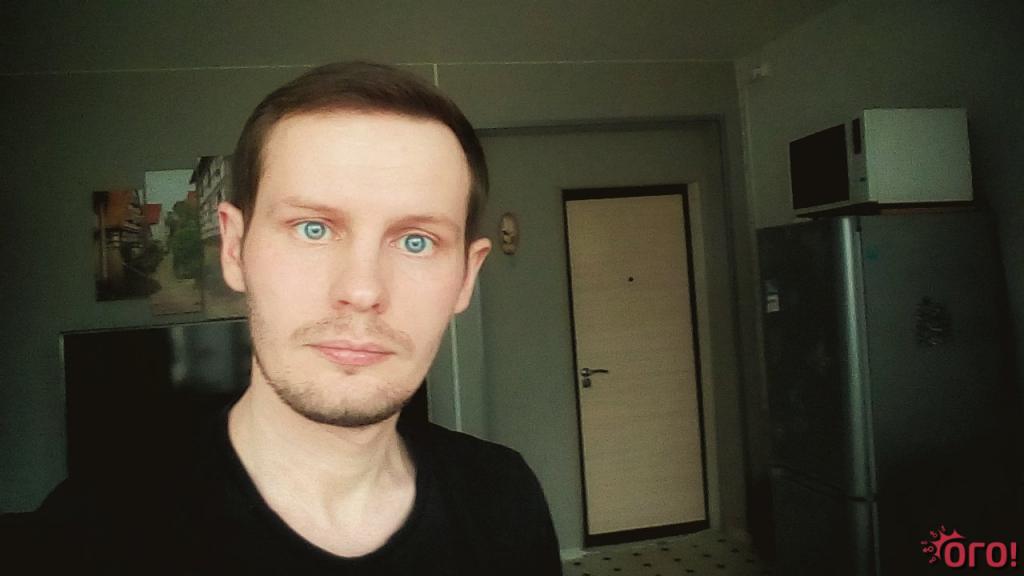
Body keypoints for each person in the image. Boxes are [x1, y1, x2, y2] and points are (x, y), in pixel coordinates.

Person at [10, 62, 561, 574]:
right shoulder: (92, 533)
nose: (362, 290)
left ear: (465, 277)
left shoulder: (504, 500)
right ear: (234, 248)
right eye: (312, 229)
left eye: (416, 240)